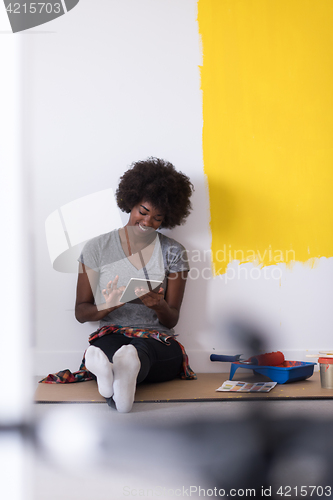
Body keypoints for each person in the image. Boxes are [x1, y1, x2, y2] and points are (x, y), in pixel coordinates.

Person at [75, 157, 195, 412]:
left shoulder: (173, 251)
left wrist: (158, 305)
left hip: (156, 338)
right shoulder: (97, 248)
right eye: (143, 211)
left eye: (157, 218)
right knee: (111, 348)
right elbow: (81, 312)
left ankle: (113, 371)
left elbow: (171, 319)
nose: (148, 222)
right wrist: (109, 305)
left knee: (139, 352)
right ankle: (117, 373)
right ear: (131, 202)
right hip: (111, 334)